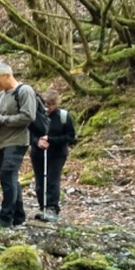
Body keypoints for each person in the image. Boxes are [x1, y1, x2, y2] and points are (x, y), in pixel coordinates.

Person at [0, 62, 36, 228]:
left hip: (18, 141)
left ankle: (5, 216)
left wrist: (2, 119)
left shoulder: (24, 91)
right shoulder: (2, 94)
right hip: (4, 141)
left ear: (7, 75)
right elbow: (2, 116)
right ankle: (19, 215)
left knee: (8, 176)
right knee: (9, 178)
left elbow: (28, 116)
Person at [30, 89, 76, 222]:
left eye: (50, 105)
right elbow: (30, 133)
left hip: (57, 154)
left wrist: (50, 139)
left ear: (55, 104)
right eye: (45, 105)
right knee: (40, 182)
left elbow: (70, 136)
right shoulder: (35, 115)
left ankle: (52, 207)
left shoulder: (63, 116)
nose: (47, 108)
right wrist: (37, 141)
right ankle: (42, 206)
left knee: (52, 180)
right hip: (38, 153)